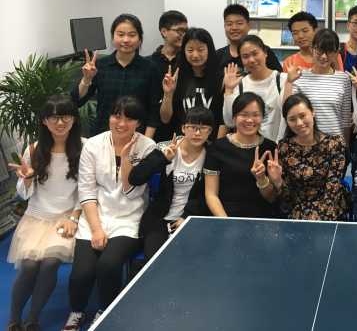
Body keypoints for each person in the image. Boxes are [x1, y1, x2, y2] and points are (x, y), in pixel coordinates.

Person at [63, 96, 156, 329]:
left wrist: (125, 159)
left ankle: (105, 310)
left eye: (129, 118)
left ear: (138, 123)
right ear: (109, 117)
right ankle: (76, 311)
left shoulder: (148, 147)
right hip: (95, 216)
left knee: (108, 266)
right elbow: (86, 190)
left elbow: (131, 192)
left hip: (129, 217)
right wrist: (96, 229)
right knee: (81, 273)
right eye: (117, 116)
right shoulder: (93, 145)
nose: (121, 123)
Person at [6, 95, 83, 331]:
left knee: (50, 263)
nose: (60, 123)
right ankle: (13, 320)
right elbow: (24, 194)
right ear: (44, 121)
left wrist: (74, 217)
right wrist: (28, 179)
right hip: (36, 217)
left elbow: (88, 189)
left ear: (74, 119)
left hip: (66, 217)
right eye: (53, 117)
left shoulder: (86, 147)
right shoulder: (33, 150)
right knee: (29, 266)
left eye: (65, 116)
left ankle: (33, 319)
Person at [128, 106, 214, 260]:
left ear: (210, 131)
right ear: (183, 128)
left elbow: (207, 194)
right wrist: (163, 159)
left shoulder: (212, 155)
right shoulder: (164, 148)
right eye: (192, 127)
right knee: (155, 259)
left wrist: (187, 217)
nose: (197, 133)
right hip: (160, 218)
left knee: (193, 259)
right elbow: (135, 178)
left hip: (192, 219)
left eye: (203, 128)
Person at [72, 13, 161, 137]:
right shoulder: (100, 65)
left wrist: (146, 142)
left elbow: (154, 111)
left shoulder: (150, 68)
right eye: (120, 34)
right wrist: (86, 79)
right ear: (113, 38)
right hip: (103, 134)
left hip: (136, 136)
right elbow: (76, 100)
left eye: (132, 35)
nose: (126, 40)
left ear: (140, 39)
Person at [204, 93, 280, 218]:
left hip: (262, 219)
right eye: (244, 115)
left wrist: (261, 179)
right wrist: (226, 221)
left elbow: (271, 198)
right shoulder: (217, 148)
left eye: (255, 115)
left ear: (262, 118)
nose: (249, 120)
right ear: (234, 118)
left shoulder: (270, 148)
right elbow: (211, 195)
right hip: (226, 217)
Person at [275, 94, 349, 220]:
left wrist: (313, 219)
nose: (299, 123)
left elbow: (333, 189)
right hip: (296, 212)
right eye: (292, 119)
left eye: (303, 116)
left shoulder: (335, 144)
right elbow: (287, 196)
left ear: (313, 112)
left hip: (331, 211)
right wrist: (278, 182)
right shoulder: (283, 147)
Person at [285, 28, 352, 145]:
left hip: (335, 144)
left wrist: (346, 146)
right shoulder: (300, 77)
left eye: (329, 52)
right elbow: (288, 111)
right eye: (320, 51)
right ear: (312, 49)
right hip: (306, 144)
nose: (324, 56)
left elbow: (345, 120)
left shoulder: (344, 79)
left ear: (337, 53)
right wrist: (289, 82)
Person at [159, 27, 226, 140]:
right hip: (182, 142)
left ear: (209, 50)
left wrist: (218, 146)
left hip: (211, 143)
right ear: (183, 51)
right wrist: (168, 94)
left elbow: (223, 121)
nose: (195, 55)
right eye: (190, 50)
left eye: (200, 50)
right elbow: (165, 119)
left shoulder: (221, 78)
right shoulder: (175, 77)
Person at [222, 35, 288, 142]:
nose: (251, 60)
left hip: (278, 146)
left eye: (255, 53)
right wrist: (229, 90)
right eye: (245, 56)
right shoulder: (239, 84)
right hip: (247, 147)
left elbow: (289, 115)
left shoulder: (283, 80)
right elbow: (230, 122)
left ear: (265, 53)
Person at [147, 10, 188, 143]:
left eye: (185, 31)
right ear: (164, 32)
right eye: (179, 30)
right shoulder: (149, 63)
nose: (183, 35)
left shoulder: (189, 61)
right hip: (154, 129)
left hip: (185, 128)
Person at [216, 4, 282, 72]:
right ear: (224, 26)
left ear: (248, 26)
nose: (234, 28)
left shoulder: (263, 51)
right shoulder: (217, 56)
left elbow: (278, 76)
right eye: (229, 24)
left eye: (239, 23)